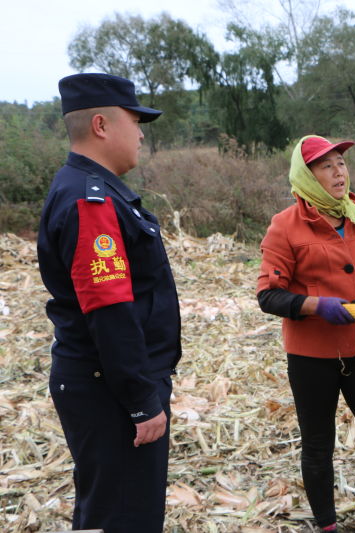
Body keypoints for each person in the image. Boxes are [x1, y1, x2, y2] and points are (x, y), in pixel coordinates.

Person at [37, 73, 180, 533]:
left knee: (110, 511)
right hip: (111, 391)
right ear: (101, 125)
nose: (141, 133)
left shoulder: (92, 190)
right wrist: (141, 399)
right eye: (135, 121)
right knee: (123, 517)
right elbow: (110, 310)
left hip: (108, 384)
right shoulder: (90, 202)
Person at [256, 135, 355, 533]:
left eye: (341, 162)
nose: (339, 171)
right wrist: (316, 306)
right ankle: (326, 525)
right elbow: (268, 295)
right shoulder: (285, 226)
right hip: (312, 355)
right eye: (326, 165)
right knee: (318, 446)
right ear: (306, 176)